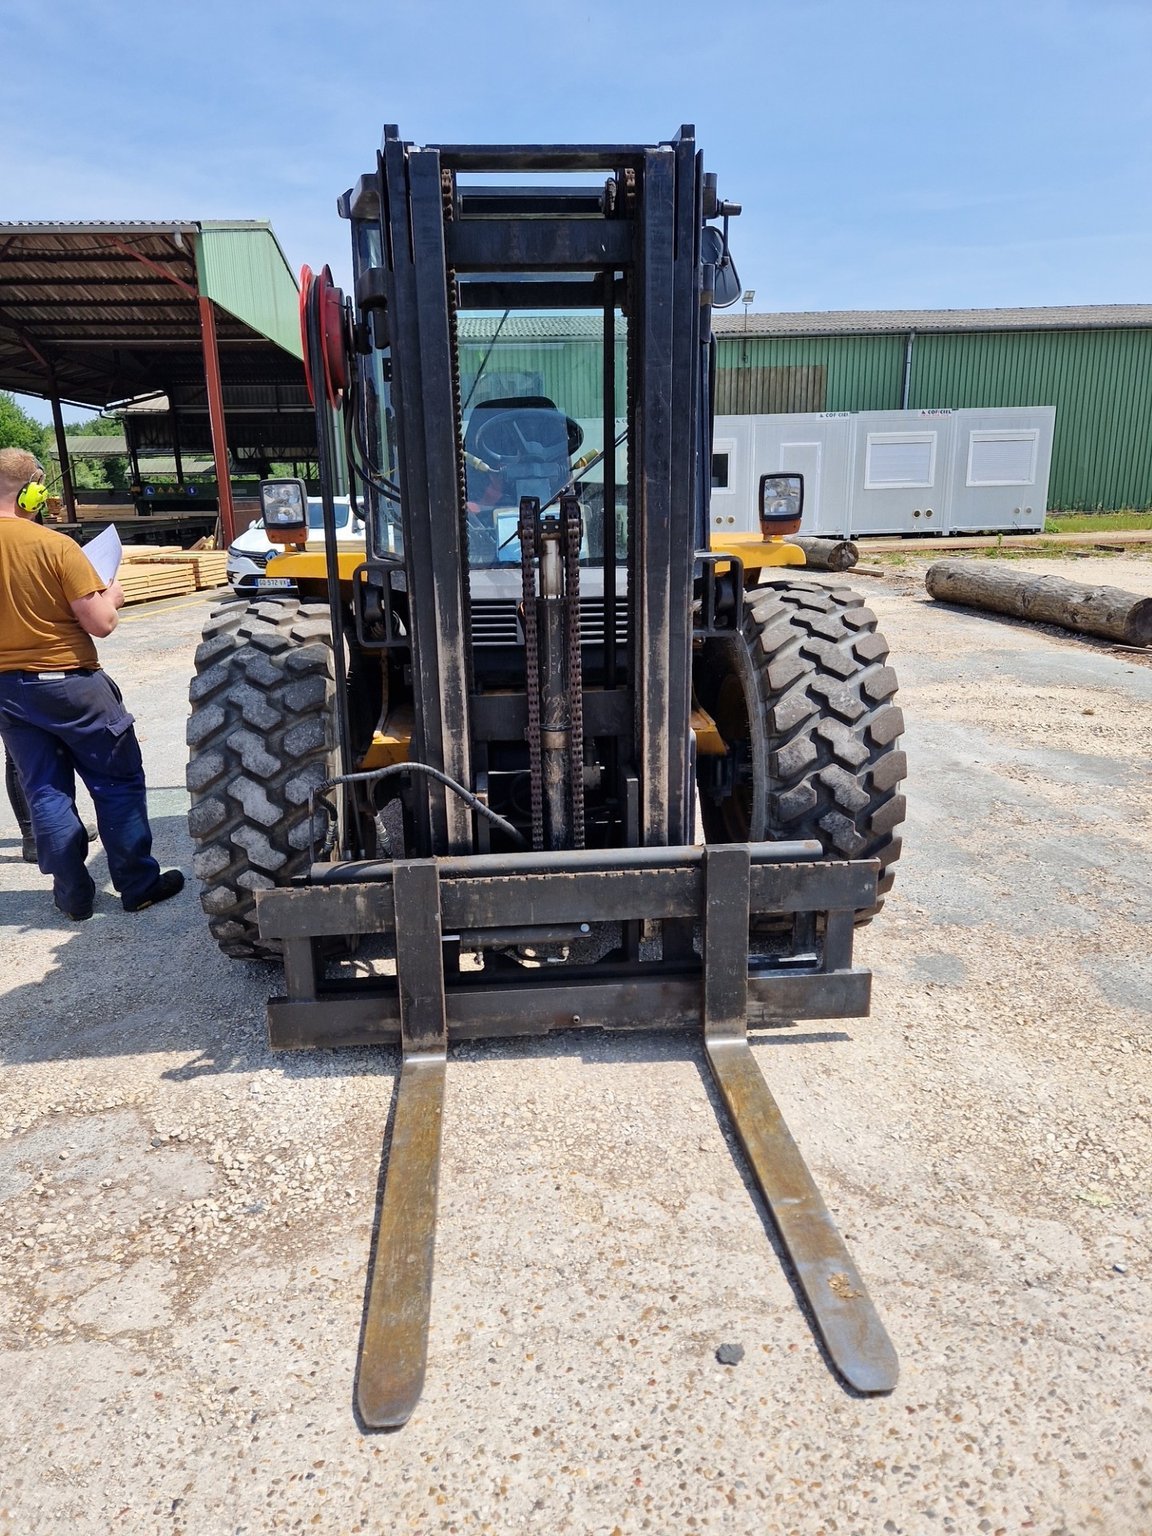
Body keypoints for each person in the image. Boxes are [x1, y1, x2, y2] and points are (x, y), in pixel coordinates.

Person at [0, 447, 183, 921]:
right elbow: (101, 623)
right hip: (72, 686)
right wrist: (112, 594)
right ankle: (138, 885)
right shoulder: (54, 546)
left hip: (9, 693)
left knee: (44, 789)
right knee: (116, 781)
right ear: (30, 492)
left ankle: (73, 896)